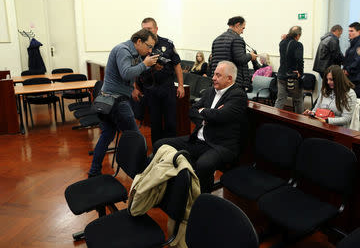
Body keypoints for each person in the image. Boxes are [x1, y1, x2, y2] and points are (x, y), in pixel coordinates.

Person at [152, 61, 248, 193]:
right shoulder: (210, 91)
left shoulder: (238, 95)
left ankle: (203, 200)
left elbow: (221, 115)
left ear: (229, 78)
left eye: (218, 75)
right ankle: (171, 187)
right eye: (214, 74)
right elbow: (192, 111)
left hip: (219, 144)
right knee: (161, 144)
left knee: (203, 165)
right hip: (198, 139)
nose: (213, 78)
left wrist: (203, 112)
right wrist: (208, 115)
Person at [88, 29, 159, 177]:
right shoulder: (123, 50)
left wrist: (151, 65)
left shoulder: (134, 53)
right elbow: (126, 73)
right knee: (137, 138)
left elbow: (136, 72)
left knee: (106, 136)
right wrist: (145, 64)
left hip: (111, 100)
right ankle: (143, 174)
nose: (150, 50)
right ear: (138, 41)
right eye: (149, 46)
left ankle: (94, 171)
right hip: (116, 102)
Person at [134, 17, 185, 145]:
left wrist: (180, 85)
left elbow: (177, 65)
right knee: (155, 122)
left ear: (156, 29)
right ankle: (157, 150)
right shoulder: (139, 46)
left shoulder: (167, 43)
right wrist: (135, 87)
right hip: (150, 88)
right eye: (144, 30)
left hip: (167, 87)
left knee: (171, 122)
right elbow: (133, 68)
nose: (146, 32)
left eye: (149, 29)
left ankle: (172, 149)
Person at [210, 16, 257, 90]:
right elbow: (240, 59)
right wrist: (250, 56)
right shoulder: (237, 39)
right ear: (237, 25)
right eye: (243, 28)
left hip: (218, 79)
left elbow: (213, 61)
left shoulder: (217, 39)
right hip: (232, 80)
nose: (242, 31)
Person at [274, 26, 304, 114]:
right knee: (298, 100)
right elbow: (299, 60)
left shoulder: (282, 43)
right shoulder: (298, 45)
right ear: (298, 35)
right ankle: (300, 121)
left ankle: (273, 118)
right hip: (293, 76)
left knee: (280, 100)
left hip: (281, 75)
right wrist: (300, 72)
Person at [343, 22, 360, 98]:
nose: (349, 33)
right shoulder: (353, 44)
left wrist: (348, 70)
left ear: (358, 32)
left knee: (354, 97)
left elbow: (359, 60)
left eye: (352, 31)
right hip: (351, 75)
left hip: (356, 77)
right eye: (349, 31)